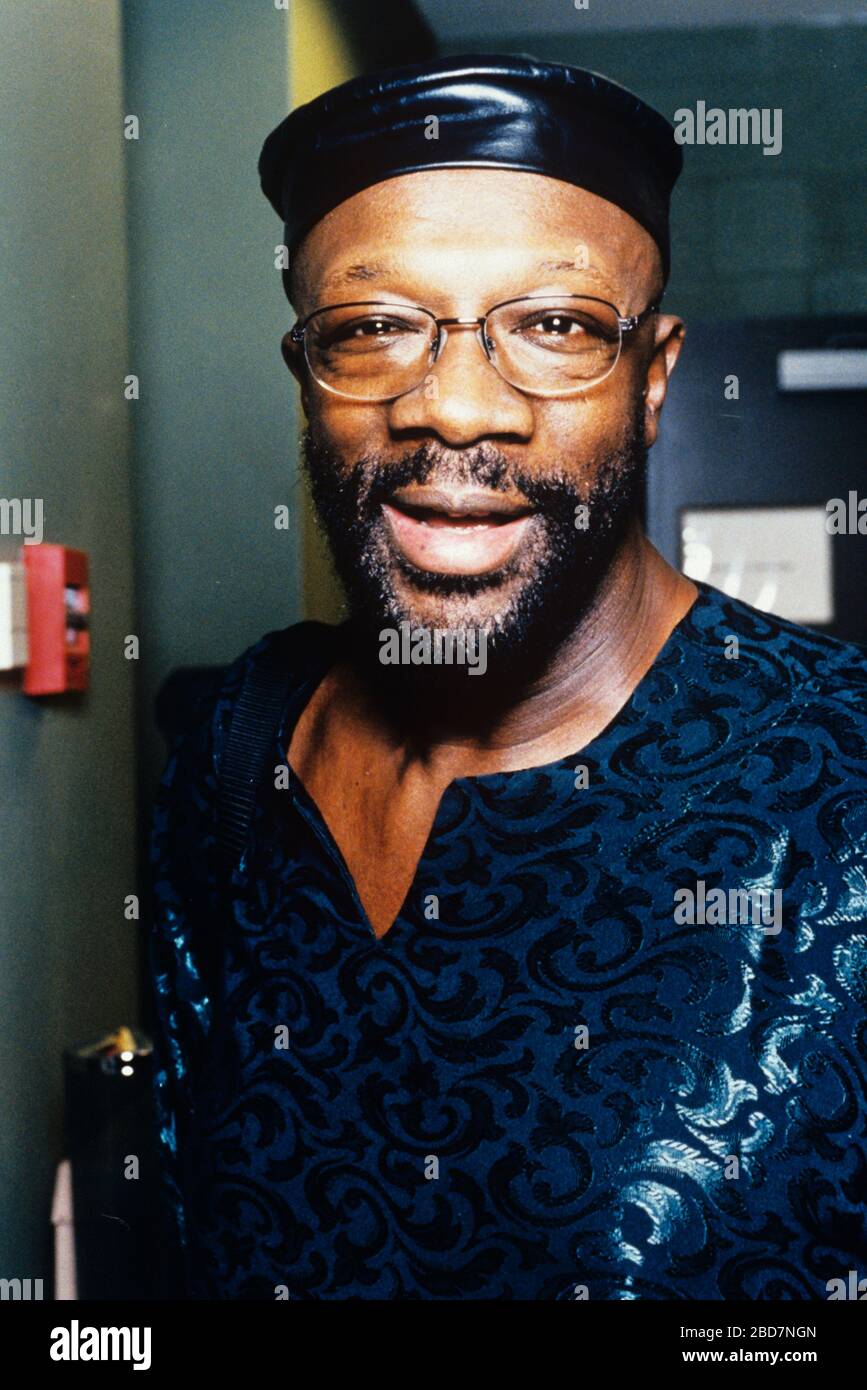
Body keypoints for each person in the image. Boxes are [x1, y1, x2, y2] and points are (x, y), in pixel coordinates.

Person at [149, 55, 867, 1299]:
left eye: (556, 327)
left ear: (653, 383)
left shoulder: (843, 782)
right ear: (308, 381)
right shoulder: (233, 752)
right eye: (374, 329)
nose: (460, 409)